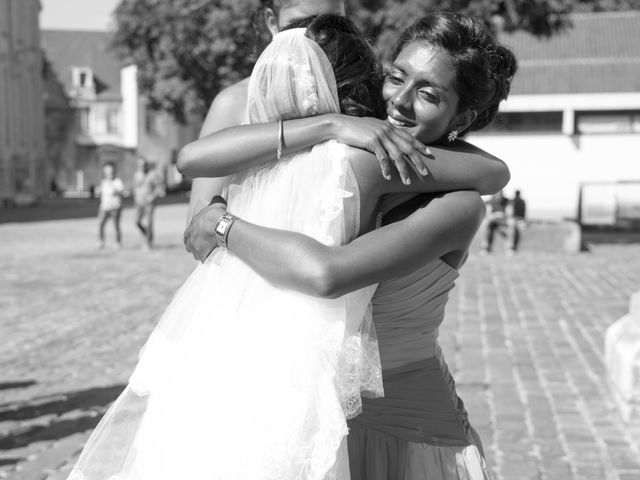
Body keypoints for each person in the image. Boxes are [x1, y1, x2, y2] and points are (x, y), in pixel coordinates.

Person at [181, 11, 517, 480]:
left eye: (428, 93)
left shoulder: (457, 205)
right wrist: (331, 125)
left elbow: (327, 275)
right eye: (396, 78)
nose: (398, 102)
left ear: (462, 115)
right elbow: (192, 159)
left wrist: (223, 225)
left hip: (405, 426)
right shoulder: (348, 147)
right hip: (313, 420)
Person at [68, 17, 399, 480]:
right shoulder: (361, 158)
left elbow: (191, 160)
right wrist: (335, 125)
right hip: (288, 358)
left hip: (220, 345)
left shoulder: (251, 157)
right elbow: (485, 174)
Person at [133, 158, 164, 250]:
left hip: (149, 203)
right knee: (137, 222)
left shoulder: (152, 175)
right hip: (139, 202)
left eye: (143, 165)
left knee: (149, 222)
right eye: (139, 165)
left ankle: (148, 243)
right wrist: (136, 197)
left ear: (146, 165)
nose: (141, 167)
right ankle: (147, 233)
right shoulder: (136, 175)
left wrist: (152, 196)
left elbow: (159, 187)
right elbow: (135, 187)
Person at [97, 162, 124, 250]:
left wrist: (111, 184)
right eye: (107, 171)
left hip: (115, 207)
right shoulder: (103, 182)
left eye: (111, 171)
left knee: (116, 226)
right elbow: (100, 193)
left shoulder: (117, 181)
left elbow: (118, 192)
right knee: (101, 224)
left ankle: (117, 242)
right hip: (104, 207)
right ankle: (101, 241)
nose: (109, 173)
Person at [481, 189, 509, 254]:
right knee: (487, 225)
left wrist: (502, 216)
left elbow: (509, 212)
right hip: (492, 223)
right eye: (498, 193)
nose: (499, 195)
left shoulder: (507, 201)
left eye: (501, 193)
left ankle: (510, 248)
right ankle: (485, 247)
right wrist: (496, 215)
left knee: (509, 227)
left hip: (503, 223)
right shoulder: (490, 201)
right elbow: (488, 214)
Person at [506, 189, 526, 255]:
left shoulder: (512, 201)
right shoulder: (522, 201)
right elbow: (524, 212)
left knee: (514, 230)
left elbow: (510, 211)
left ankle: (512, 248)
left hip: (514, 219)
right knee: (515, 231)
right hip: (520, 219)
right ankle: (512, 248)